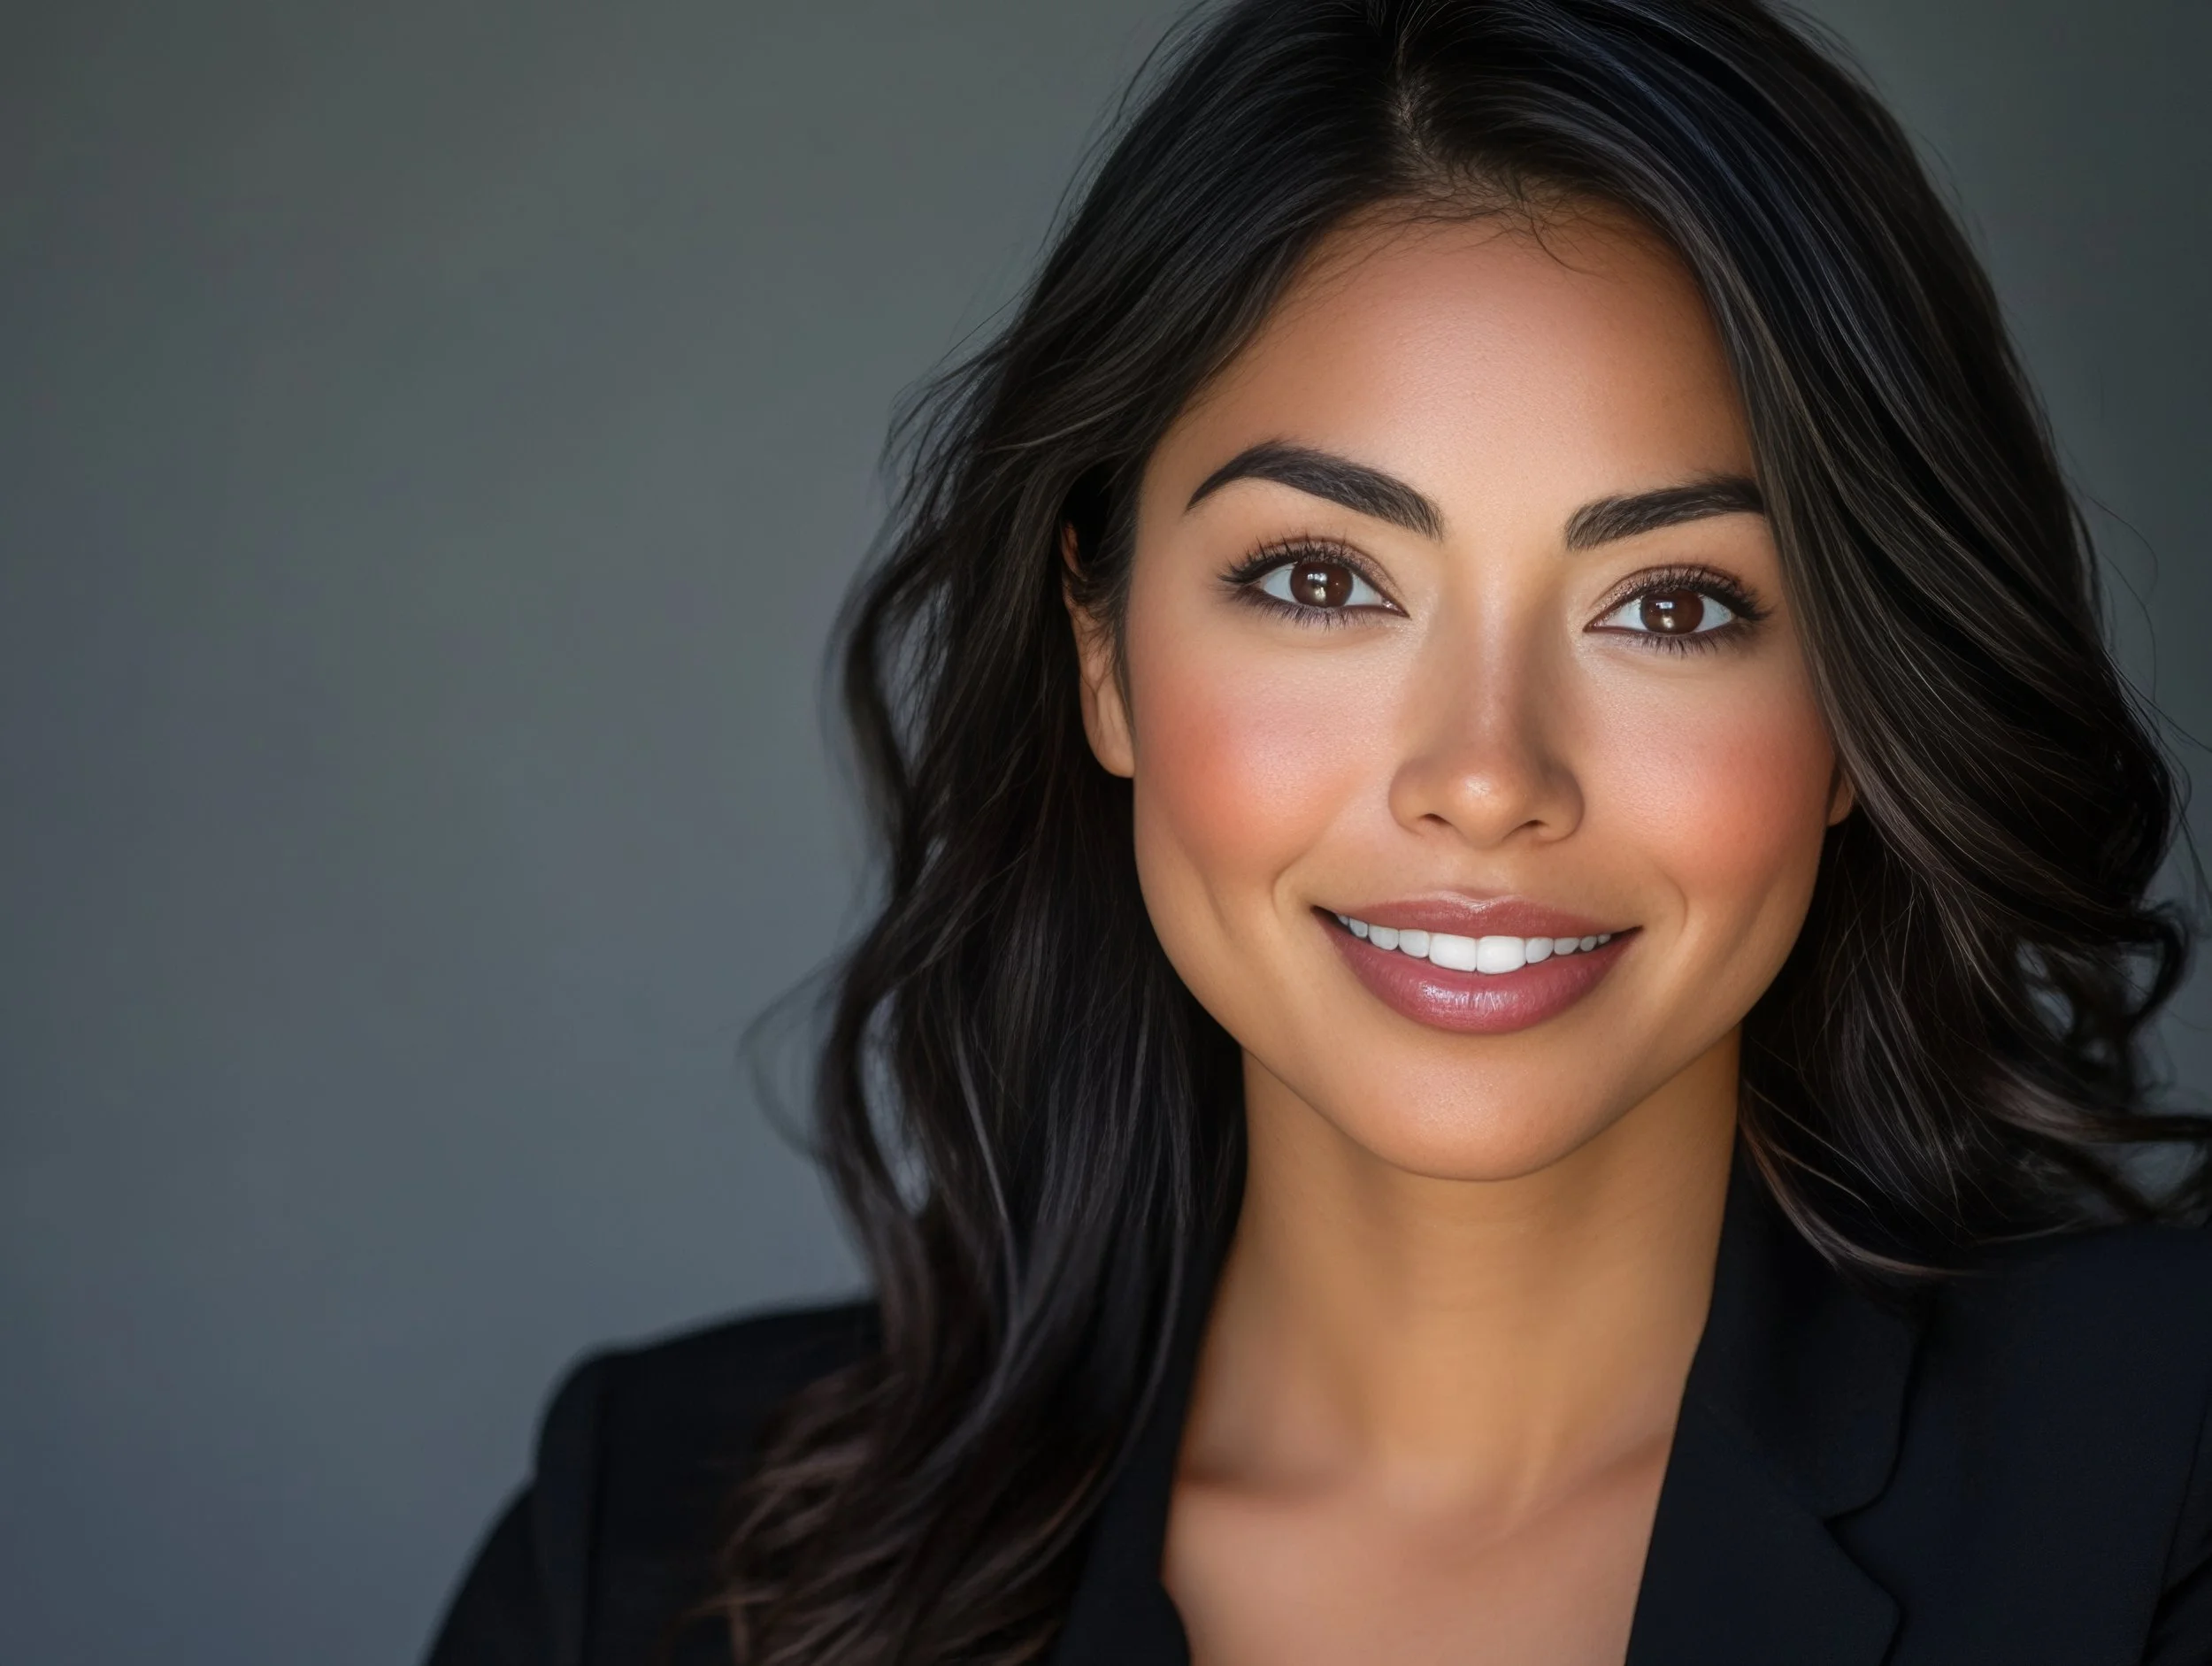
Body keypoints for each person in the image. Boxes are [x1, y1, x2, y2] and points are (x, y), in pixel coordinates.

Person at [425, 1, 2212, 1662]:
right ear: (1103, 651)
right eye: (1320, 580)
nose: (1485, 773)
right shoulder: (644, 1554)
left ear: (1859, 705)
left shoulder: (2163, 1488)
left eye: (1672, 606)